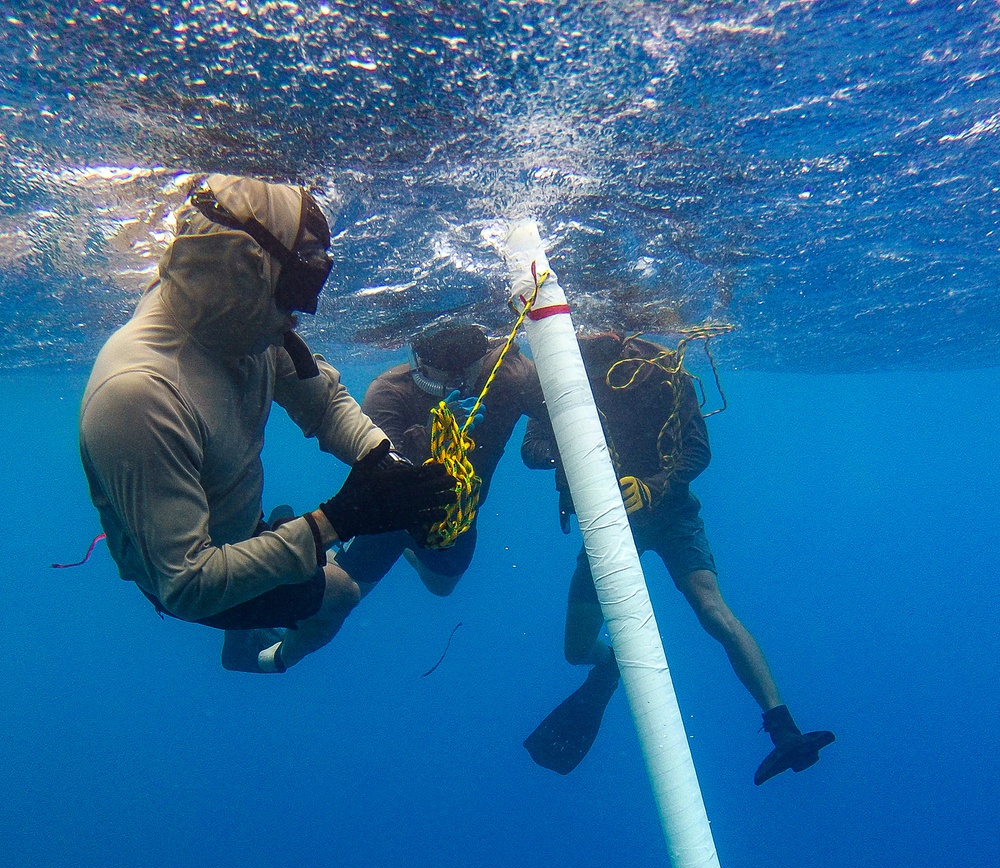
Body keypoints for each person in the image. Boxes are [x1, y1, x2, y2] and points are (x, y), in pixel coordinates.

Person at [79, 174, 454, 674]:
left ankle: (280, 545)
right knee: (340, 594)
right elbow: (187, 587)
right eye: (298, 287)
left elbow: (321, 402)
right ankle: (261, 661)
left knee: (302, 541)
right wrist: (334, 521)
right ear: (245, 268)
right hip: (192, 577)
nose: (302, 312)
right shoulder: (140, 395)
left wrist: (386, 462)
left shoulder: (231, 312)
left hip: (230, 527)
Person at [521, 331, 834, 785]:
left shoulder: (664, 368)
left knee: (713, 609)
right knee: (576, 651)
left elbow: (698, 450)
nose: (600, 339)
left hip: (670, 511)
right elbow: (531, 452)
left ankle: (784, 728)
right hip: (610, 521)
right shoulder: (558, 375)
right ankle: (611, 664)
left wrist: (653, 484)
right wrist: (568, 442)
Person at [335, 320, 549, 598]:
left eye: (466, 360)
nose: (457, 374)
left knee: (442, 586)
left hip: (457, 513)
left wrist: (564, 473)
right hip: (390, 513)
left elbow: (559, 418)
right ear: (419, 361)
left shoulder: (511, 373)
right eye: (443, 363)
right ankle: (325, 560)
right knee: (342, 594)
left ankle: (408, 550)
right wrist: (431, 435)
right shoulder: (389, 391)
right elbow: (383, 473)